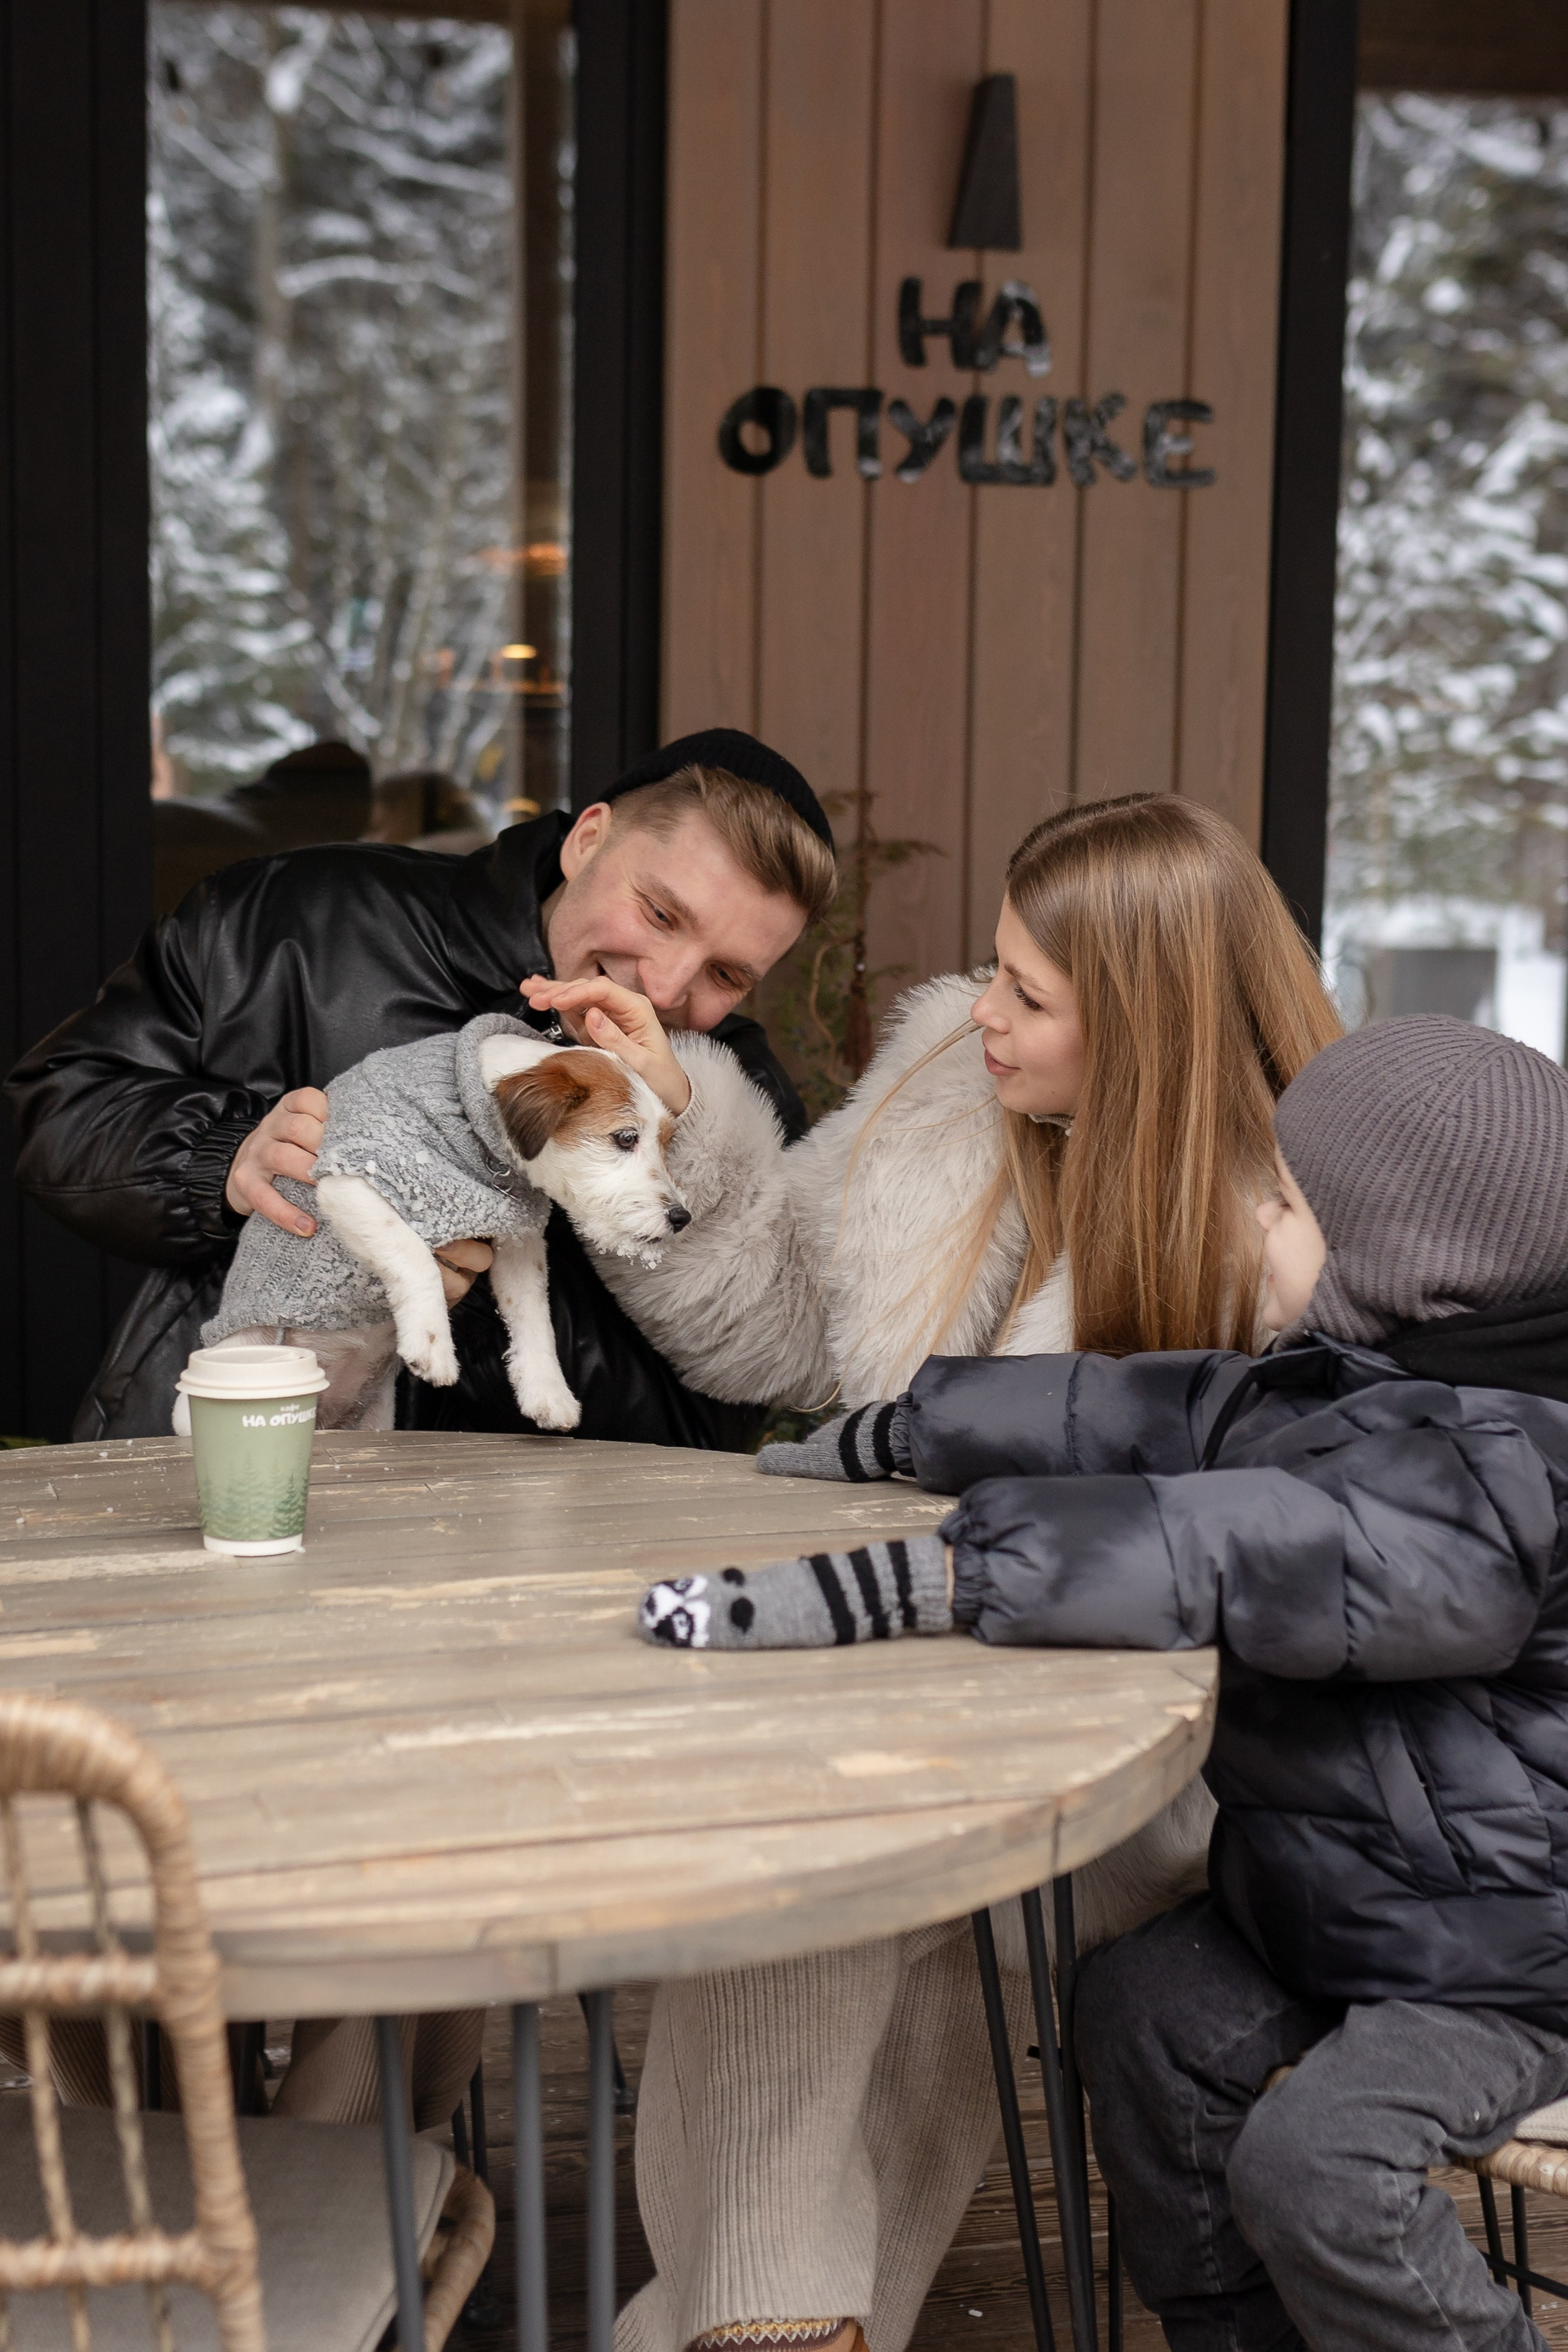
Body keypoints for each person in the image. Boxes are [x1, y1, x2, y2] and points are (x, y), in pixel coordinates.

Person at [521, 793, 1341, 2352]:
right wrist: (668, 1113)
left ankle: (735, 2323)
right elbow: (780, 1333)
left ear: (1152, 1026)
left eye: (1028, 994)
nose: (980, 1012)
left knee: (816, 1875)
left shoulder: (1280, 1240)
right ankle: (780, 2324)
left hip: (1148, 1751)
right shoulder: (942, 1093)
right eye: (990, 968)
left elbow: (1274, 1589)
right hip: (903, 1670)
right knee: (831, 1862)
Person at [654, 1013, 1568, 2352]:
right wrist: (912, 1429)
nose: (1251, 1216)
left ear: (1404, 1262)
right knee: (1139, 2013)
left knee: (1318, 2165)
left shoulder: (1497, 1474)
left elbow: (1228, 1540)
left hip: (1502, 1955)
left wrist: (961, 1572)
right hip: (1341, 1904)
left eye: (1286, 1201)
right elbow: (1139, 1408)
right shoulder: (1343, 1380)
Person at [6, 729, 835, 1443]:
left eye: (728, 971)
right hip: (237, 1480)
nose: (666, 985)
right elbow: (61, 1101)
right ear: (588, 840)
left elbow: (761, 1374)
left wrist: (682, 1140)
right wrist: (226, 1158)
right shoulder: (299, 919)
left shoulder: (733, 1091)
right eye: (660, 913)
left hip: (557, 1547)